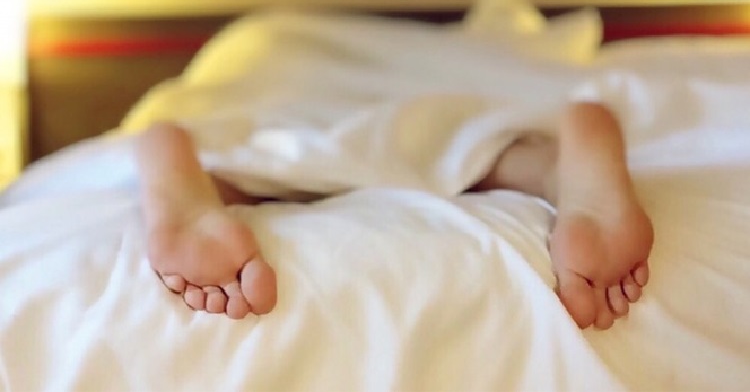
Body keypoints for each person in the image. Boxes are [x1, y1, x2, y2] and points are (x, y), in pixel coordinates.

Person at [135, 99, 653, 331]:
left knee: (256, 164)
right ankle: (558, 166)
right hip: (445, 115)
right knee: (483, 153)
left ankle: (185, 177)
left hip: (281, 126)